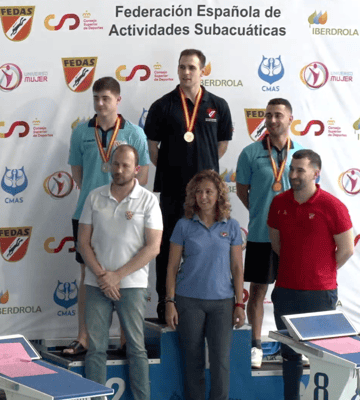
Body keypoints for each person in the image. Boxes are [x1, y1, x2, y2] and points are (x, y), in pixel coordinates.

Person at [145, 49, 233, 323]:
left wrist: (201, 176)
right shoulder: (162, 105)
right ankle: (165, 303)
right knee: (167, 250)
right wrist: (173, 171)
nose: (186, 72)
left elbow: (221, 146)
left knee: (209, 249)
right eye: (182, 67)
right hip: (173, 193)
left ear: (203, 71)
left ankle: (208, 302)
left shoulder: (218, 105)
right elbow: (152, 148)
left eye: (192, 68)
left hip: (207, 196)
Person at [66, 77, 150, 355]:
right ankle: (83, 337)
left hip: (126, 213)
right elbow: (78, 175)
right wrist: (97, 193)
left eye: (106, 98)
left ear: (117, 100)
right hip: (89, 211)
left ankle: (127, 339)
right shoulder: (81, 132)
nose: (100, 103)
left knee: (125, 274)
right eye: (96, 98)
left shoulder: (134, 133)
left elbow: (143, 175)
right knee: (86, 274)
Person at [267, 149, 354, 400]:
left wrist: (321, 272)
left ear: (316, 173)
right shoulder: (279, 203)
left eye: (300, 170)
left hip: (320, 294)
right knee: (289, 355)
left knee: (323, 356)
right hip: (285, 291)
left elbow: (347, 249)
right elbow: (277, 244)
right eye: (292, 169)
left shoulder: (333, 206)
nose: (293, 175)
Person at [78, 145, 163, 400]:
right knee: (96, 349)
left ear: (136, 169)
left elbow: (153, 247)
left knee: (136, 348)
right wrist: (103, 277)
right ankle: (95, 397)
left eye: (126, 165)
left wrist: (117, 275)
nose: (119, 169)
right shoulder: (94, 196)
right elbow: (83, 243)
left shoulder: (148, 200)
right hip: (97, 284)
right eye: (115, 164)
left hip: (132, 285)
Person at [165, 170, 245, 400]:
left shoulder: (232, 226)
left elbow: (237, 268)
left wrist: (239, 304)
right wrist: (170, 301)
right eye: (199, 192)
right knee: (193, 361)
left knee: (221, 361)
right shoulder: (183, 225)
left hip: (222, 303)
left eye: (209, 191)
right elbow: (171, 267)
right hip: (188, 301)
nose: (203, 197)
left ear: (219, 194)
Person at [236, 98, 303, 368]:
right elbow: (242, 191)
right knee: (257, 291)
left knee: (296, 293)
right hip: (261, 234)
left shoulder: (301, 154)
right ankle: (255, 346)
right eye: (269, 115)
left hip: (293, 238)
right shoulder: (250, 153)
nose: (272, 120)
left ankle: (298, 346)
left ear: (290, 119)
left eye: (278, 115)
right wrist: (261, 212)